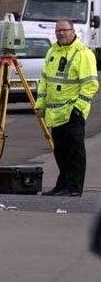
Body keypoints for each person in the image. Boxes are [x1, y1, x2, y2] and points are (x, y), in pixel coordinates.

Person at [37, 19, 98, 197]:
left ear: (73, 31)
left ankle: (74, 188)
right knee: (60, 152)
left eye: (64, 30)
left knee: (75, 152)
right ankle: (62, 185)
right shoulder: (52, 52)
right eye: (58, 31)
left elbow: (91, 85)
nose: (61, 33)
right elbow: (45, 82)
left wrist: (78, 108)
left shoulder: (83, 53)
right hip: (55, 113)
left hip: (72, 111)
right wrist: (40, 105)